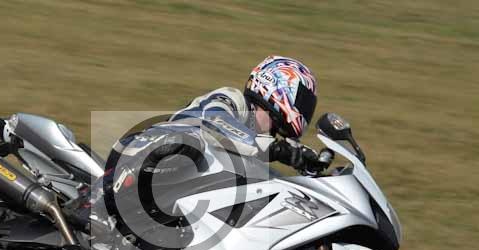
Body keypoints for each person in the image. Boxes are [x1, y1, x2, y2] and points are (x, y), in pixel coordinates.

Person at [66, 55, 323, 236]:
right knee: (191, 143)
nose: (304, 109)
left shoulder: (259, 145)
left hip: (164, 199)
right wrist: (277, 150)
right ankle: (95, 201)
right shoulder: (232, 100)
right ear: (279, 85)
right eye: (302, 100)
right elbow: (216, 123)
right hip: (140, 151)